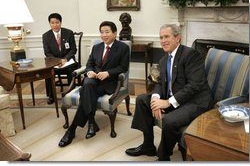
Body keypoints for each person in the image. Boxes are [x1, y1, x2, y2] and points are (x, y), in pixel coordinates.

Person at [125, 24, 214, 161]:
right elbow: (160, 82)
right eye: (161, 37)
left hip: (195, 101)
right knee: (142, 100)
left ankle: (163, 157)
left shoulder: (191, 55)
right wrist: (155, 99)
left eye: (167, 36)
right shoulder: (164, 59)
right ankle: (148, 146)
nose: (163, 40)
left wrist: (167, 102)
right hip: (176, 97)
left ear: (178, 38)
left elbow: (194, 85)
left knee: (169, 120)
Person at [58, 21, 130, 147]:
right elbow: (89, 64)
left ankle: (73, 129)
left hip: (109, 82)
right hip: (93, 79)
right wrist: (89, 72)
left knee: (87, 90)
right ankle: (90, 123)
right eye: (101, 32)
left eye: (107, 32)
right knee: (88, 85)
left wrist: (108, 73)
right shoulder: (97, 47)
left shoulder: (123, 47)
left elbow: (123, 67)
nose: (104, 35)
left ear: (114, 33)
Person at [42, 13, 77, 104]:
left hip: (68, 61)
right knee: (48, 71)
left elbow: (73, 49)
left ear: (60, 22)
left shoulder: (68, 33)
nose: (55, 25)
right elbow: (47, 52)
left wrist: (65, 59)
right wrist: (57, 61)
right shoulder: (46, 36)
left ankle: (71, 94)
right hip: (54, 62)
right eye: (52, 23)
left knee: (71, 70)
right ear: (49, 23)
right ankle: (51, 95)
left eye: (57, 22)